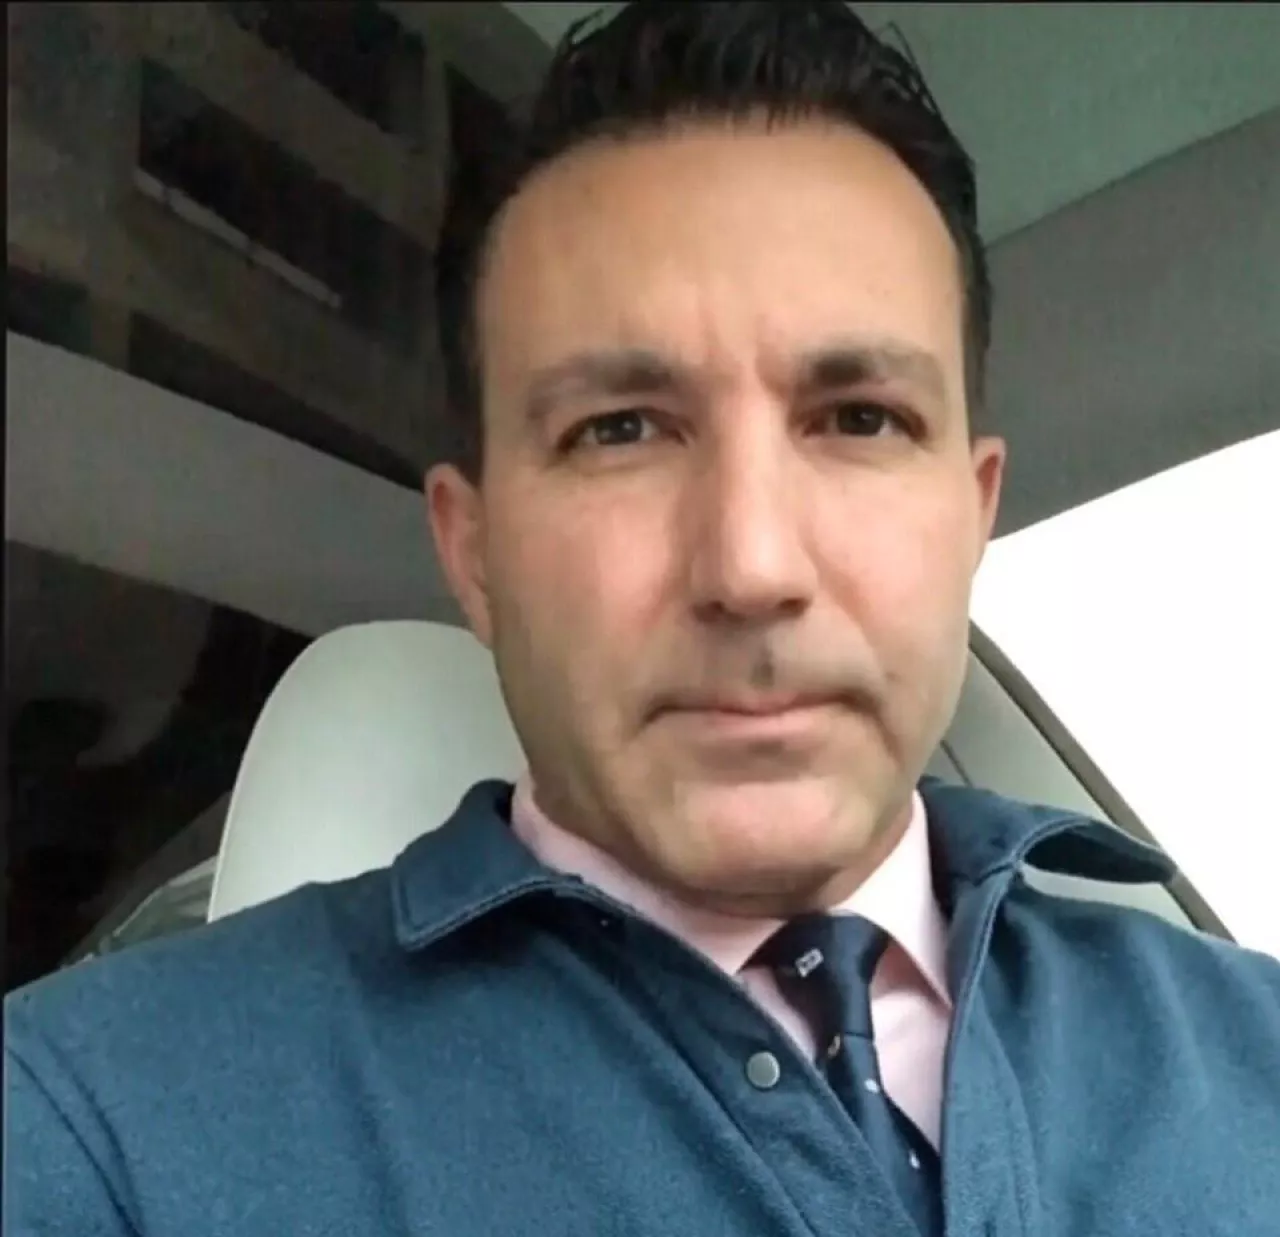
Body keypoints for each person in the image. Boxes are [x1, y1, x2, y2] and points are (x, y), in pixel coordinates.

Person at [7, 3, 1279, 1234]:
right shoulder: (89, 1128)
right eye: (619, 430)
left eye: (858, 418)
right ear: (473, 552)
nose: (751, 565)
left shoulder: (1252, 1045)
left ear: (971, 511)